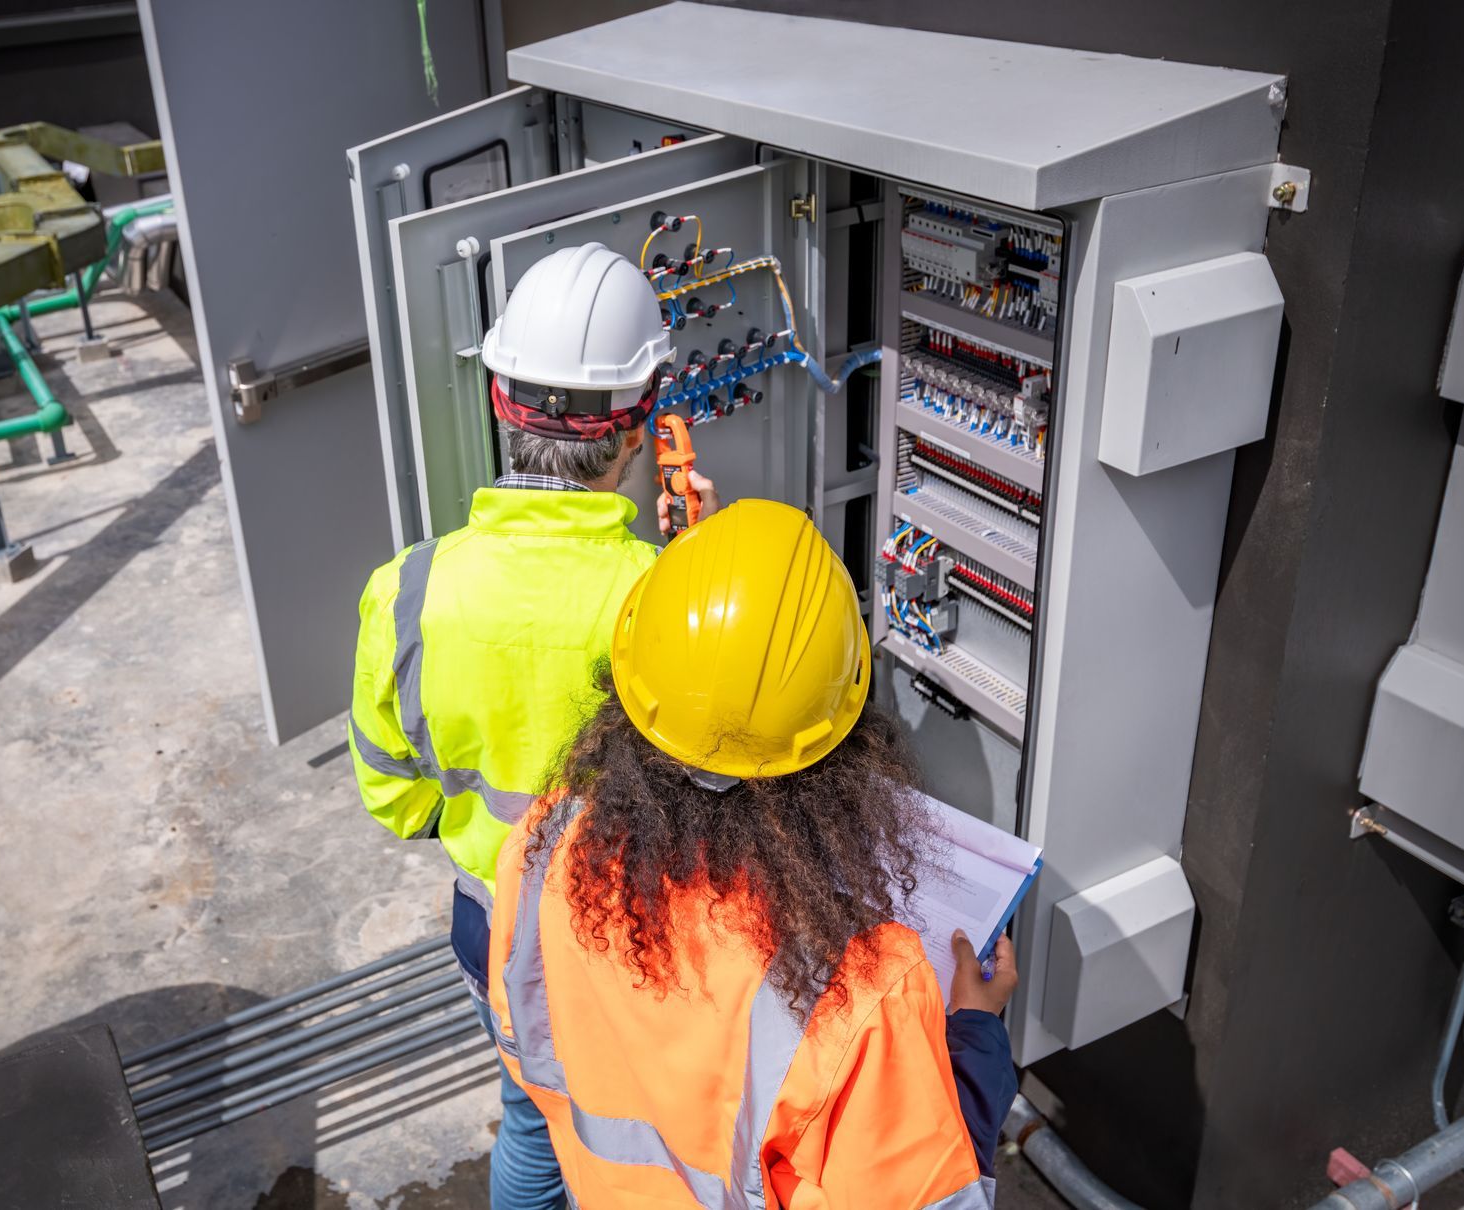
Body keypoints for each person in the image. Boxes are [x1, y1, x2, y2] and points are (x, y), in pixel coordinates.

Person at [488, 499, 1019, 1208]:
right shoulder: (857, 991)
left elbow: (528, 1051)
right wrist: (977, 1039)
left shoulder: (546, 845)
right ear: (843, 741)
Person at [349, 241, 718, 1210]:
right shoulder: (659, 594)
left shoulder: (409, 586)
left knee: (534, 1115)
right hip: (634, 921)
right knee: (654, 1129)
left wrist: (472, 829)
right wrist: (707, 566)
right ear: (636, 425)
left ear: (501, 396)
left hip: (490, 912)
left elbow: (391, 789)